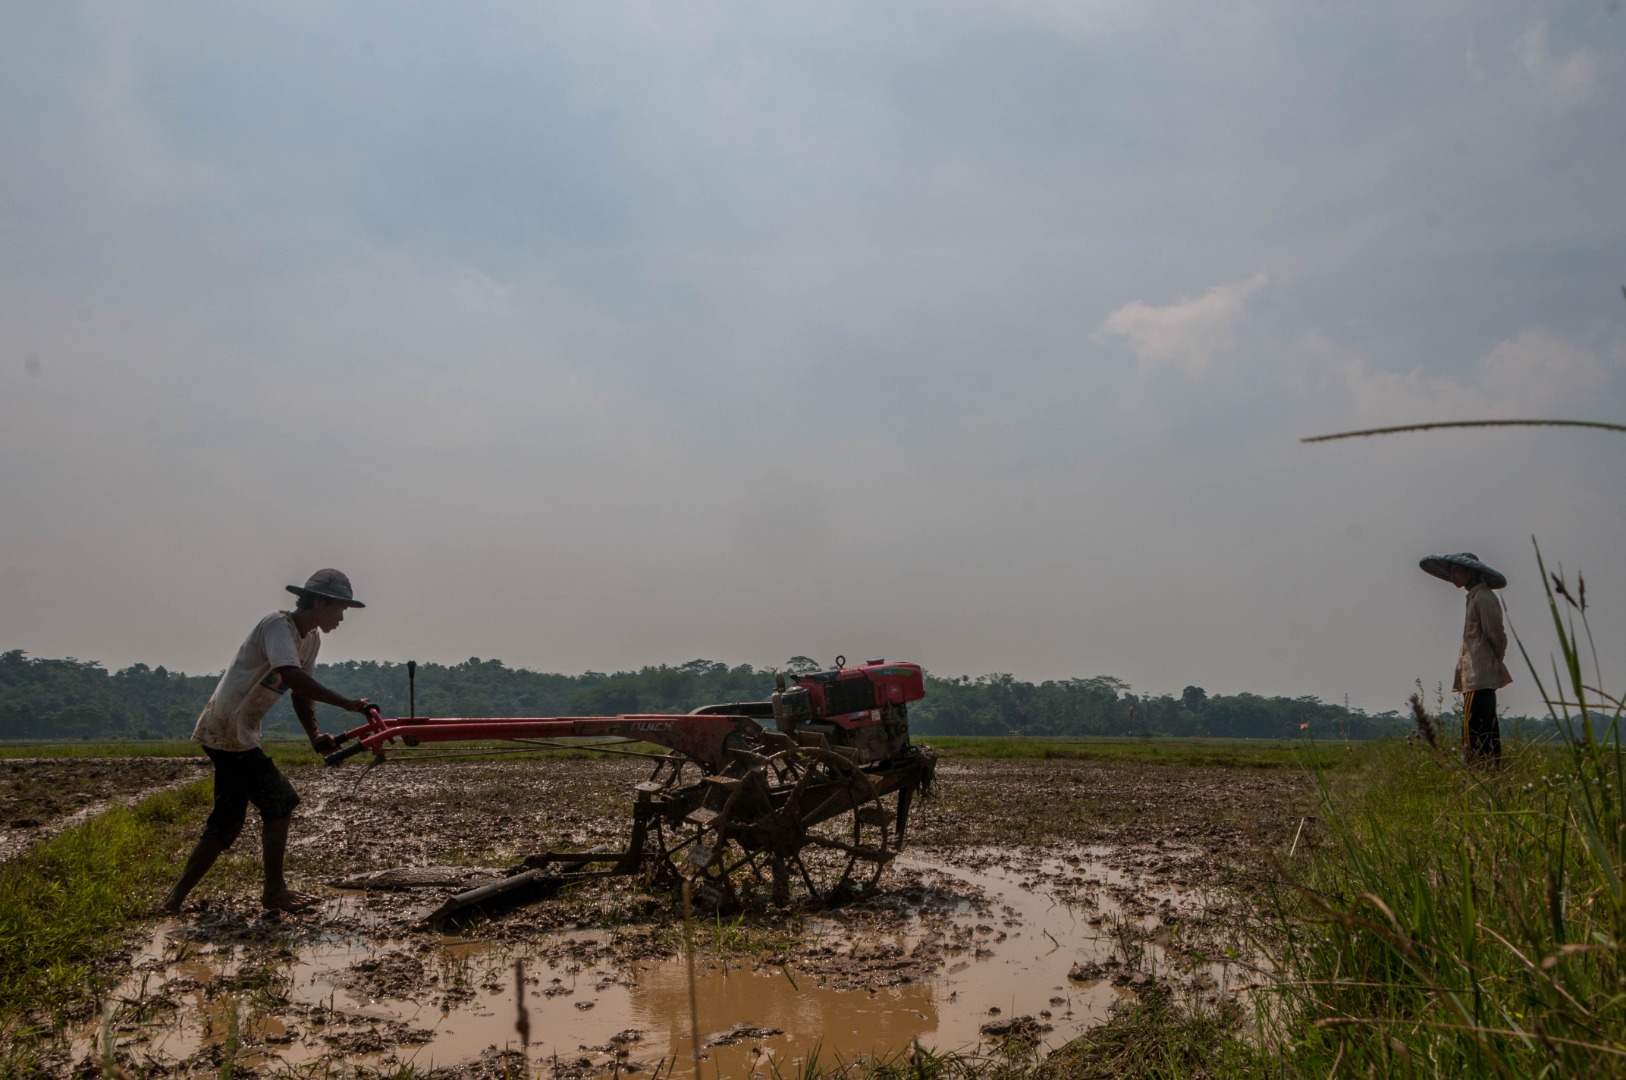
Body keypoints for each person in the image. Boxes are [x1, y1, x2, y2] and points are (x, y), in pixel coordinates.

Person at [163, 569, 373, 914]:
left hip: (236, 731)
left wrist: (315, 735)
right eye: (339, 609)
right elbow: (292, 677)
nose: (341, 617)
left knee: (228, 818)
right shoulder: (278, 625)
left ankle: (174, 901)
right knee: (280, 801)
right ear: (319, 602)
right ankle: (274, 892)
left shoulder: (310, 639)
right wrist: (348, 703)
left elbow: (300, 691)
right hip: (228, 728)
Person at [1420, 552, 1511, 763]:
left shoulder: (1484, 597)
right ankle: (1489, 771)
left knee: (1475, 730)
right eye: (1451, 571)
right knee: (1482, 727)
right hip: (1476, 675)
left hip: (1480, 674)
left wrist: (1496, 660)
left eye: (1457, 570)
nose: (1453, 575)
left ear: (1471, 572)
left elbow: (1496, 635)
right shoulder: (1474, 597)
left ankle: (1479, 771)